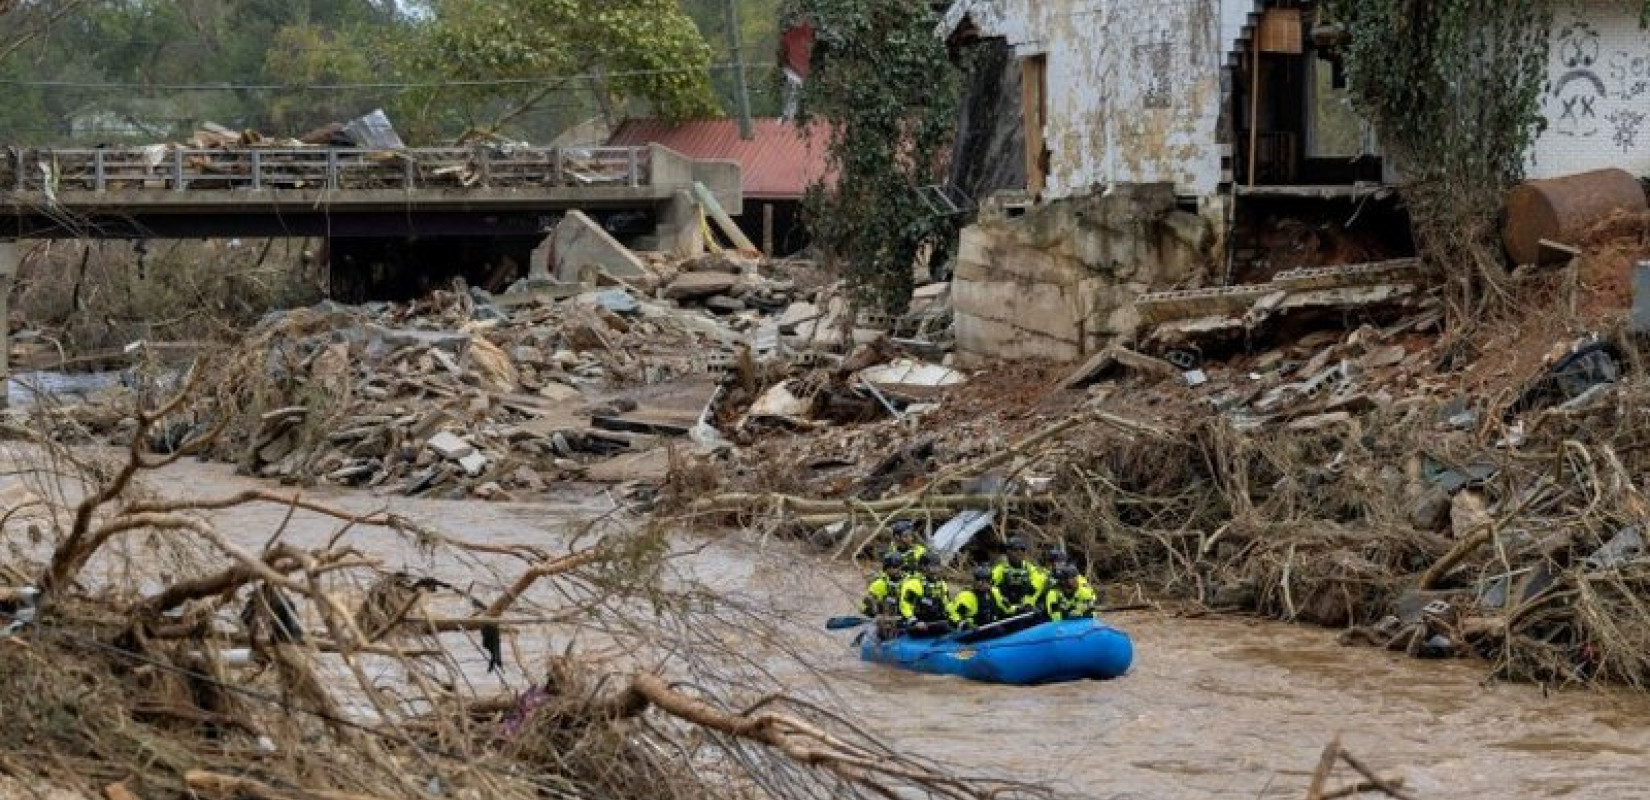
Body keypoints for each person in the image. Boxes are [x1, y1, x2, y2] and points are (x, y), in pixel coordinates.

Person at [991, 536, 1048, 614]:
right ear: (1008, 552)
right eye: (1015, 550)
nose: (1019, 552)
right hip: (1006, 610)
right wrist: (1010, 607)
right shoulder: (1000, 569)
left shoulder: (1031, 569)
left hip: (1027, 609)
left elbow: (1037, 586)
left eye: (1022, 549)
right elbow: (992, 589)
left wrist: (1028, 603)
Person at [898, 553, 952, 632]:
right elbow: (905, 605)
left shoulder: (942, 584)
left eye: (937, 567)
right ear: (923, 567)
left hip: (936, 623)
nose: (936, 570)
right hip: (918, 623)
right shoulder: (914, 583)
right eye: (932, 567)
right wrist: (913, 621)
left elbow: (947, 604)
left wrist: (955, 618)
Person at [862, 552, 904, 617]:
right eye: (894, 567)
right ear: (887, 569)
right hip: (885, 617)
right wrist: (873, 608)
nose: (898, 569)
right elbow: (866, 602)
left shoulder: (906, 580)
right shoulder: (880, 583)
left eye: (899, 566)